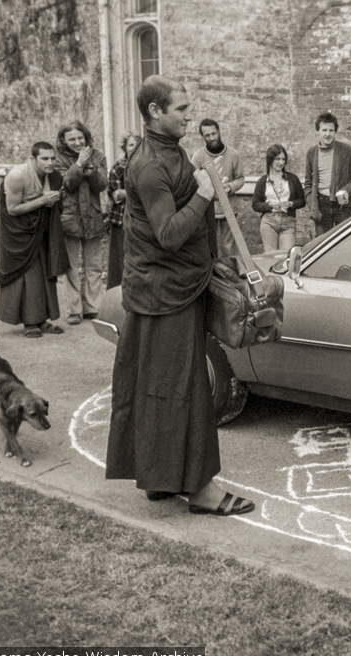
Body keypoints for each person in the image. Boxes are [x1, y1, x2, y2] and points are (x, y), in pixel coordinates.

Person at [106, 75, 255, 517]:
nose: (189, 115)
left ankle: (160, 477)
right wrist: (205, 194)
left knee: (157, 387)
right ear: (155, 111)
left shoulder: (169, 153)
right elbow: (169, 234)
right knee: (185, 390)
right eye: (181, 109)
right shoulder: (150, 164)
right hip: (165, 295)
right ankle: (202, 490)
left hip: (169, 291)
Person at [0, 142, 67, 338]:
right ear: (33, 159)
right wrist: (43, 201)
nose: (50, 162)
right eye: (45, 158)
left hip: (41, 229)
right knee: (28, 275)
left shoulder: (53, 176)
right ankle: (29, 323)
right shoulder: (17, 175)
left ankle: (42, 319)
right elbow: (12, 209)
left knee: (44, 271)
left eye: (53, 158)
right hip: (18, 233)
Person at [54, 120, 108, 326]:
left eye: (80, 138)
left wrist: (92, 171)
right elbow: (65, 185)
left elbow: (102, 185)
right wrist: (78, 166)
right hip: (69, 218)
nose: (77, 142)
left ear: (86, 137)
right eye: (72, 139)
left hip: (93, 218)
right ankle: (74, 309)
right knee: (72, 267)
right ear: (63, 141)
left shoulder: (98, 156)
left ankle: (94, 307)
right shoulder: (58, 159)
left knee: (94, 266)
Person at [190, 118, 245, 255]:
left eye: (214, 133)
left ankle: (231, 275)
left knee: (230, 249)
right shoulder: (198, 157)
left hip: (229, 209)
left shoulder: (233, 154)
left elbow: (240, 179)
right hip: (208, 210)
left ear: (219, 132)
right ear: (202, 137)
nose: (212, 138)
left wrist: (230, 187)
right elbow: (193, 183)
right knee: (209, 249)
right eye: (207, 135)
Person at [304, 112, 351, 235]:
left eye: (331, 130)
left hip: (343, 206)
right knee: (322, 245)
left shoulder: (346, 150)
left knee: (345, 242)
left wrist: (347, 190)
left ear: (335, 132)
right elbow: (308, 184)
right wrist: (312, 204)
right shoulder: (311, 153)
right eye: (324, 130)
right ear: (318, 131)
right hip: (321, 206)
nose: (327, 134)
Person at [252, 145, 306, 252]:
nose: (281, 162)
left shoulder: (292, 179)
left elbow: (302, 200)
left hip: (288, 222)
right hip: (268, 222)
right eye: (277, 159)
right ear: (270, 160)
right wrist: (269, 205)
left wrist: (291, 204)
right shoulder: (262, 181)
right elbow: (255, 204)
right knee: (270, 256)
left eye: (283, 159)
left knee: (285, 257)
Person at [105, 131, 141, 289]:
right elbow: (116, 195)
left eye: (138, 145)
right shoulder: (118, 168)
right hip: (121, 219)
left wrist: (129, 193)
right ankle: (116, 293)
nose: (135, 148)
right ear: (125, 148)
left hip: (140, 219)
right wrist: (138, 192)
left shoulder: (148, 166)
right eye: (131, 145)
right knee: (119, 258)